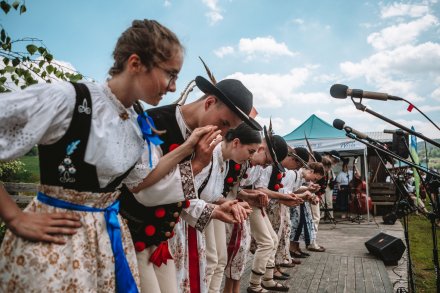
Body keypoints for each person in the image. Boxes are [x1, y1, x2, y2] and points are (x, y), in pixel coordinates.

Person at [0, 19, 191, 292]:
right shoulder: (69, 100)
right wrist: (14, 217)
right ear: (135, 63)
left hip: (104, 245)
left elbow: (140, 180)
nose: (173, 87)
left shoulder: (137, 122)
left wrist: (189, 148)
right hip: (55, 242)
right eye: (170, 74)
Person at [119, 74, 260, 293]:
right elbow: (144, 193)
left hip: (159, 242)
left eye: (228, 129)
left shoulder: (202, 139)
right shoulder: (154, 123)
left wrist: (214, 210)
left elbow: (181, 198)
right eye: (223, 123)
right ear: (209, 102)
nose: (222, 133)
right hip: (131, 236)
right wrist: (195, 166)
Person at [200, 122, 261, 293]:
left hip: (209, 211)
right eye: (250, 151)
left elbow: (214, 195)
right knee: (211, 260)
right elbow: (195, 193)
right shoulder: (210, 154)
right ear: (235, 142)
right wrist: (227, 204)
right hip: (197, 214)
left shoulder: (224, 160)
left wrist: (233, 204)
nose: (250, 157)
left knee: (220, 260)